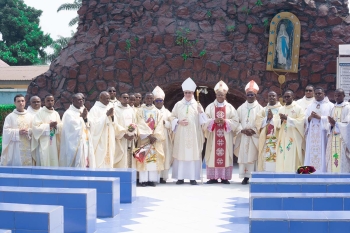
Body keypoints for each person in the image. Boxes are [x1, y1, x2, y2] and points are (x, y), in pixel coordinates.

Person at [170, 77, 206, 185]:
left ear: (193, 93)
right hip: (181, 135)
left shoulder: (197, 105)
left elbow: (203, 121)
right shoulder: (178, 105)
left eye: (189, 93)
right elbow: (171, 117)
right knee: (181, 155)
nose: (188, 95)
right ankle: (180, 177)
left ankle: (193, 178)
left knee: (192, 155)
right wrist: (178, 121)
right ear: (183, 93)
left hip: (194, 135)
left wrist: (201, 113)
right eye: (186, 93)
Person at [204, 80, 240, 184]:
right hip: (214, 136)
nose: (220, 96)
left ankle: (224, 177)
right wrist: (213, 121)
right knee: (213, 154)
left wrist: (225, 121)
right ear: (216, 95)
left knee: (225, 155)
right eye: (218, 95)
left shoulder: (230, 108)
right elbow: (205, 120)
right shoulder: (210, 107)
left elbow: (235, 121)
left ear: (225, 95)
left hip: (225, 136)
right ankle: (213, 177)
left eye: (222, 95)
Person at [234, 80, 263, 184]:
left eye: (252, 94)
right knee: (244, 155)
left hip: (253, 136)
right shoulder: (241, 108)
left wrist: (254, 131)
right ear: (246, 95)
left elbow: (261, 122)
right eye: (248, 94)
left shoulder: (260, 109)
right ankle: (245, 176)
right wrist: (242, 129)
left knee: (253, 155)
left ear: (255, 95)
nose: (250, 96)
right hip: (243, 135)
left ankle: (253, 175)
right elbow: (236, 120)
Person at [135, 93, 165, 187]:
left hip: (154, 138)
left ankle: (151, 180)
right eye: (147, 98)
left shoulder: (157, 111)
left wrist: (155, 135)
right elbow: (139, 122)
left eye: (151, 98)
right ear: (144, 99)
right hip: (144, 138)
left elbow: (160, 124)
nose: (149, 99)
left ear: (153, 99)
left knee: (152, 159)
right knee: (143, 158)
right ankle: (143, 180)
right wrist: (148, 135)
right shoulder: (140, 111)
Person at [59, 93, 95, 168]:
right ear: (73, 101)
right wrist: (81, 118)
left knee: (86, 161)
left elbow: (89, 124)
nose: (81, 101)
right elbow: (71, 128)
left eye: (82, 99)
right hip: (76, 143)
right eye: (79, 100)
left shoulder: (83, 110)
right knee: (78, 162)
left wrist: (85, 118)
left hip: (85, 140)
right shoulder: (68, 113)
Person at [273, 90, 305, 172]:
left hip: (293, 137)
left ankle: (293, 173)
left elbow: (302, 122)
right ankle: (281, 173)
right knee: (282, 154)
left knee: (291, 154)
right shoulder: (281, 109)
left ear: (293, 97)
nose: (286, 98)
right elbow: (275, 122)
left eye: (288, 96)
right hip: (282, 136)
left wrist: (288, 119)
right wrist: (280, 120)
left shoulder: (298, 108)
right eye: (285, 97)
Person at [304, 87, 334, 172]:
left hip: (323, 134)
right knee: (311, 152)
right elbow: (305, 120)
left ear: (324, 94)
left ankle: (322, 171)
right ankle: (310, 171)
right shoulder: (310, 106)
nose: (317, 95)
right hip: (312, 135)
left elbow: (332, 120)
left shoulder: (330, 106)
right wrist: (310, 117)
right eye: (316, 94)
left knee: (323, 152)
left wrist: (320, 117)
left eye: (319, 93)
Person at [1, 94, 33, 166]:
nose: (21, 103)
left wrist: (29, 131)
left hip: (28, 143)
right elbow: (6, 131)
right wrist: (17, 132)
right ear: (15, 103)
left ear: (25, 102)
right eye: (18, 101)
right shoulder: (10, 117)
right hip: (15, 146)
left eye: (22, 101)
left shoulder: (30, 116)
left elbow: (35, 129)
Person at [32, 94, 62, 167]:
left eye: (52, 100)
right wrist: (48, 126)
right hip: (43, 142)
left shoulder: (56, 113)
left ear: (54, 101)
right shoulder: (39, 113)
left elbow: (60, 127)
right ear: (44, 102)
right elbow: (35, 127)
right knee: (44, 159)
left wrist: (57, 126)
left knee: (54, 159)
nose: (50, 102)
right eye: (48, 100)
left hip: (54, 141)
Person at [89, 91, 116, 168]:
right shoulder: (95, 109)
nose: (108, 100)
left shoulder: (109, 107)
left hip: (109, 137)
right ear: (100, 98)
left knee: (109, 158)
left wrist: (112, 117)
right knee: (99, 159)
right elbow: (92, 125)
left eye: (109, 98)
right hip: (100, 139)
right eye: (106, 98)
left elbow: (114, 123)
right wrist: (106, 115)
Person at [256, 91, 282, 172]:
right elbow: (258, 121)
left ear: (276, 97)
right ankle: (266, 171)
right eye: (269, 96)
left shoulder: (281, 109)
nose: (271, 97)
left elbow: (283, 121)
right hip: (266, 137)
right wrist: (267, 119)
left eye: (273, 96)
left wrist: (272, 119)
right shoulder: (264, 110)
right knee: (266, 155)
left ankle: (277, 172)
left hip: (277, 136)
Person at [325, 89, 350, 172]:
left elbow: (348, 124)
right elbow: (329, 124)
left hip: (343, 139)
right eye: (335, 95)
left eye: (339, 95)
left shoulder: (348, 107)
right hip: (333, 137)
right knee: (332, 158)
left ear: (344, 96)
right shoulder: (333, 108)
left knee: (342, 159)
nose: (337, 97)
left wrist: (336, 124)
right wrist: (331, 125)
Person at [153, 86, 173, 183]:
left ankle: (163, 177)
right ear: (154, 102)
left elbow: (172, 124)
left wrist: (166, 123)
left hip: (164, 138)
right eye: (157, 101)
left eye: (160, 100)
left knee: (164, 156)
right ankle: (154, 176)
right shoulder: (151, 111)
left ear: (163, 101)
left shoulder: (167, 112)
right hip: (154, 138)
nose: (159, 102)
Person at [113, 93, 137, 168]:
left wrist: (133, 133)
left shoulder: (131, 109)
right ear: (120, 98)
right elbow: (114, 124)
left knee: (130, 157)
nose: (126, 99)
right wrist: (124, 134)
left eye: (127, 97)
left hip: (131, 138)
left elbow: (135, 122)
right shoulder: (115, 109)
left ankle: (129, 176)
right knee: (121, 157)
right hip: (121, 138)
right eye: (124, 97)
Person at [26, 95, 42, 166]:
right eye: (34, 102)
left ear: (41, 102)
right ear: (30, 103)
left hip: (42, 139)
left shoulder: (43, 112)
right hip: (31, 139)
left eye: (38, 102)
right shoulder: (26, 113)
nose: (36, 104)